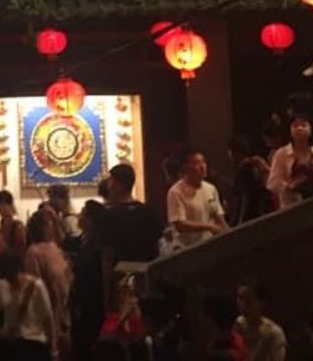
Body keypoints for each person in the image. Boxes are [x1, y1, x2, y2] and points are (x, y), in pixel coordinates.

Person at [99, 163, 163, 306]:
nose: (109, 185)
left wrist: (106, 292)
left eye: (111, 180)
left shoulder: (109, 216)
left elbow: (107, 254)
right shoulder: (148, 211)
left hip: (120, 276)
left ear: (118, 185)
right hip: (146, 273)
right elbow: (157, 246)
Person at [0, 249, 57, 361]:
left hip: (33, 341)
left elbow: (48, 319)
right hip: (11, 341)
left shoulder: (36, 286)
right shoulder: (1, 285)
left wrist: (53, 349)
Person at [24, 212, 71, 352]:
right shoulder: (34, 252)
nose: (51, 227)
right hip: (47, 308)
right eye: (47, 224)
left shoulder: (54, 247)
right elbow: (33, 283)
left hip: (64, 306)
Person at [167, 149, 228, 249]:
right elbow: (180, 225)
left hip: (209, 245)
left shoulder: (211, 188)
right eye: (196, 163)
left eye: (203, 162)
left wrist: (228, 234)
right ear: (185, 168)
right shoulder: (176, 192)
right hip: (186, 248)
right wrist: (209, 226)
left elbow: (219, 218)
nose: (202, 167)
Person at [267, 113, 313, 208]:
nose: (300, 128)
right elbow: (272, 183)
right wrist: (288, 186)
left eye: (303, 125)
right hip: (292, 207)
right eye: (295, 125)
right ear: (290, 130)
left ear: (310, 128)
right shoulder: (281, 154)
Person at [70, 200, 105, 361]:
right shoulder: (83, 241)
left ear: (90, 220)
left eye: (83, 213)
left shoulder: (96, 247)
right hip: (80, 301)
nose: (79, 215)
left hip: (90, 303)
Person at [227, 136, 275, 225]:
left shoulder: (243, 170)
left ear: (236, 153)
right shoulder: (255, 165)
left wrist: (240, 221)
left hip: (251, 217)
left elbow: (245, 196)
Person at [234, 281, 286, 361]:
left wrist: (263, 347)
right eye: (240, 298)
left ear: (261, 303)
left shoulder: (274, 333)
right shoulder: (235, 325)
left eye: (248, 300)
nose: (243, 305)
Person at [200, 293, 247, 361]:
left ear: (209, 319)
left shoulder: (224, 356)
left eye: (202, 312)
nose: (200, 315)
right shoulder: (236, 339)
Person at [0, 190, 26, 260]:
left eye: (1, 205)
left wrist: (3, 246)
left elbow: (21, 251)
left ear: (9, 205)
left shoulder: (17, 225)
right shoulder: (3, 222)